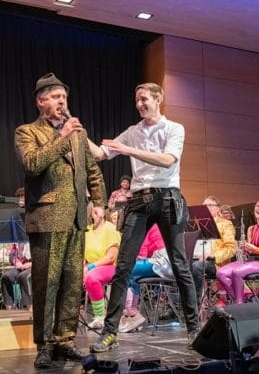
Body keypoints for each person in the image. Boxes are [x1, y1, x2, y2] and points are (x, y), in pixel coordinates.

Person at [88, 82, 199, 352]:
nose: (139, 104)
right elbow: (101, 154)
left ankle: (194, 328)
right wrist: (80, 135)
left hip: (168, 198)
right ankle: (110, 332)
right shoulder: (132, 132)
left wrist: (128, 150)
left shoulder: (174, 128)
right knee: (123, 266)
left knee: (179, 264)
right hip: (139, 201)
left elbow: (168, 160)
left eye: (144, 99)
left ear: (158, 99)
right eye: (137, 100)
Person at [15, 72, 106, 368]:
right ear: (40, 102)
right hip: (47, 217)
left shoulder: (78, 134)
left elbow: (92, 170)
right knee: (47, 283)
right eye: (55, 97)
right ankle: (44, 343)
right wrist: (62, 136)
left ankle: (65, 340)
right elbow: (32, 164)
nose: (61, 101)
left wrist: (99, 202)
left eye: (64, 97)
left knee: (71, 282)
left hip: (76, 217)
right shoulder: (27, 131)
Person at [216, 199, 259, 305]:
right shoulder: (251, 229)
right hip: (252, 261)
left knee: (237, 272)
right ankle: (243, 299)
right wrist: (246, 248)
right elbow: (250, 252)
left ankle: (239, 303)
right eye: (257, 206)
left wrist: (256, 249)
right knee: (221, 273)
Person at [118, 223, 170, 333]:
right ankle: (130, 314)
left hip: (163, 262)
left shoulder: (145, 224)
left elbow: (142, 253)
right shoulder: (145, 224)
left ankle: (132, 313)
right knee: (130, 272)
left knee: (128, 269)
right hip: (159, 260)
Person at [191, 196, 237, 305]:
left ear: (218, 208)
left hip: (216, 263)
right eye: (204, 206)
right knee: (180, 265)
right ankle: (178, 302)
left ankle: (195, 304)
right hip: (197, 258)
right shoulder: (196, 225)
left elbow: (231, 248)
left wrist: (213, 255)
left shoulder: (226, 224)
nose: (206, 208)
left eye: (210, 205)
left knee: (197, 266)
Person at [84, 206, 121, 329]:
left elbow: (111, 257)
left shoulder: (110, 228)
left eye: (98, 210)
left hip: (110, 266)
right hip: (90, 266)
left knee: (91, 277)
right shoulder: (88, 230)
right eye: (93, 211)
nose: (96, 213)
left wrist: (90, 267)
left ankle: (100, 316)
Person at [0, 242, 31, 310]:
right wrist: (17, 262)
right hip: (21, 266)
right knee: (5, 277)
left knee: (23, 276)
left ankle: (29, 307)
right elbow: (12, 255)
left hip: (34, 266)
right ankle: (9, 307)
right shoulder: (17, 242)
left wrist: (31, 263)